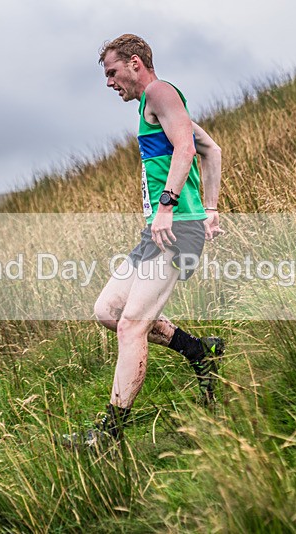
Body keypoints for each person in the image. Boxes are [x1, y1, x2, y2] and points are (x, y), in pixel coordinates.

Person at [63, 34, 225, 449]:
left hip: (174, 226)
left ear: (135, 64)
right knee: (107, 310)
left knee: (131, 327)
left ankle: (109, 433)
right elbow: (212, 149)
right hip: (161, 226)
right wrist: (212, 207)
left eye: (112, 72)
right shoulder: (151, 105)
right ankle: (200, 352)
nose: (108, 82)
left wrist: (170, 206)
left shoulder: (160, 91)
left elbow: (187, 147)